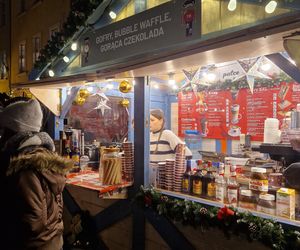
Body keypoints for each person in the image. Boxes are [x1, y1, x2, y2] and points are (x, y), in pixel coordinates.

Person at [0, 98, 73, 250]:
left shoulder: (25, 165)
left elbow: (33, 221)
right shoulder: (42, 155)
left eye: (4, 129)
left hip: (33, 245)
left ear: (14, 130)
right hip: (51, 242)